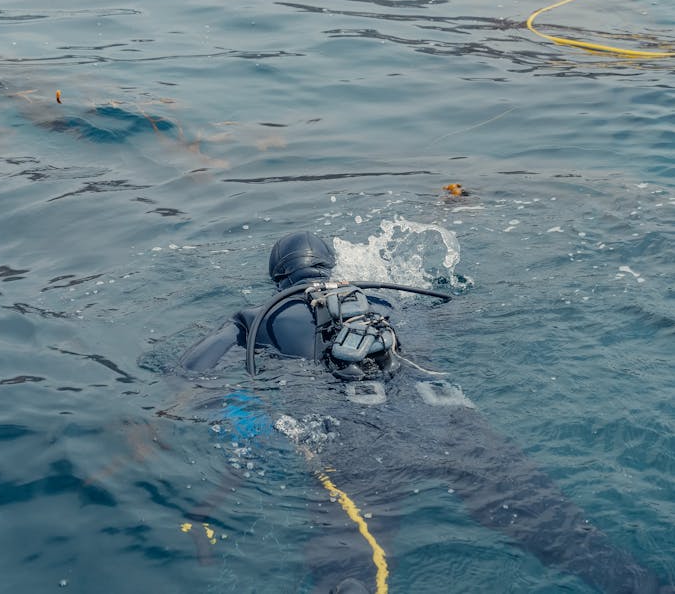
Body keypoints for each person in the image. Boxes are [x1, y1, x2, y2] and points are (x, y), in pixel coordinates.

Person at [180, 232, 671, 594]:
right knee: (561, 530)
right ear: (333, 265)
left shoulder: (256, 317)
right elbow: (453, 317)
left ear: (277, 277)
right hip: (444, 413)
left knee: (351, 566)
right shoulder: (383, 297)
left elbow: (190, 369)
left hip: (356, 435)